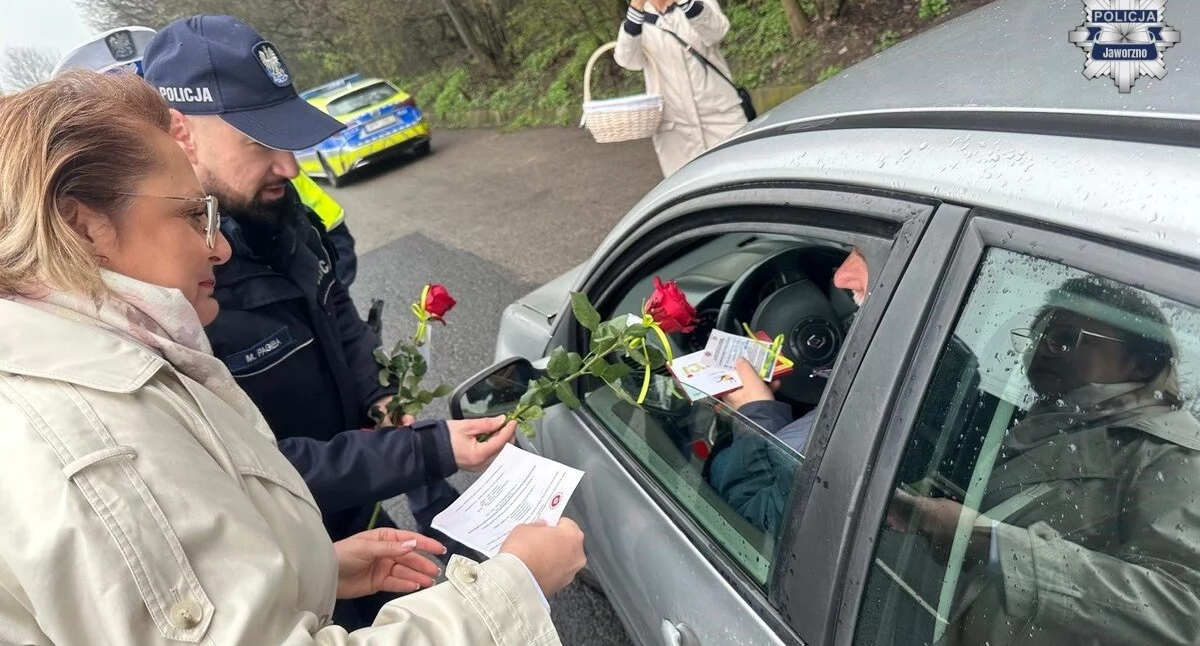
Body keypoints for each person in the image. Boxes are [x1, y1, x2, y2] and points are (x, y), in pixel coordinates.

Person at [0, 69, 585, 644]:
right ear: (85, 227)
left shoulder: (132, 351)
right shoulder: (101, 449)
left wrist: (313, 572)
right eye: (191, 215)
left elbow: (337, 323)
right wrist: (515, 587)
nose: (220, 246)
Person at [141, 15, 483, 629]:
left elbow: (336, 313)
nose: (291, 168)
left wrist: (377, 394)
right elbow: (249, 464)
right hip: (289, 568)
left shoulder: (281, 214)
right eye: (260, 144)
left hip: (361, 517)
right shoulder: (168, 288)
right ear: (180, 133)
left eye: (289, 140)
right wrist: (422, 450)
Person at [888, 276, 1200, 645]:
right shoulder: (1065, 421)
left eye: (1066, 339)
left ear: (1141, 365)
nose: (1042, 350)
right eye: (1038, 336)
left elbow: (1183, 614)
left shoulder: (1176, 453)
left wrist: (990, 543)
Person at [53, 26, 362, 289]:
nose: (155, 136)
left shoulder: (261, 178)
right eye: (126, 124)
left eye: (154, 109)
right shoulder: (104, 266)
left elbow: (329, 240)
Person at [706, 247, 870, 534]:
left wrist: (753, 413)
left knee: (720, 464)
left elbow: (757, 515)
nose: (841, 276)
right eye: (852, 251)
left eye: (868, 257)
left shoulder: (804, 444)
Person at [615, 0, 748, 177]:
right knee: (689, 196)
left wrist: (686, 3)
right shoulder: (639, 20)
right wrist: (635, 12)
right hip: (674, 130)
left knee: (743, 179)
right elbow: (628, 61)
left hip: (721, 116)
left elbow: (717, 32)